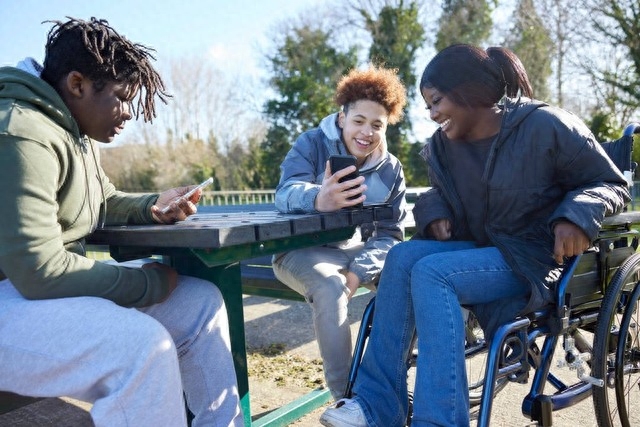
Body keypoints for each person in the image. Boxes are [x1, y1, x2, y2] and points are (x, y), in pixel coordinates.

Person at [320, 44, 630, 427]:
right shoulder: (442, 147)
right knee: (402, 258)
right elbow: (440, 193)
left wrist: (577, 216)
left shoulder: (545, 124)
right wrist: (434, 213)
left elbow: (610, 183)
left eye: (436, 102)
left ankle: (440, 421)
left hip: (534, 257)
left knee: (433, 274)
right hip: (481, 250)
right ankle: (376, 407)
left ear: (467, 91)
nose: (432, 114)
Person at [0, 17, 243, 427]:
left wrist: (152, 205)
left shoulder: (71, 128)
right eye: (120, 98)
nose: (128, 113)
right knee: (142, 349)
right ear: (77, 84)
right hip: (14, 291)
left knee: (199, 303)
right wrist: (146, 284)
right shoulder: (20, 130)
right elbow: (39, 272)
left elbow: (101, 198)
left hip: (31, 292)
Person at [272, 64, 408, 400]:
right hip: (298, 252)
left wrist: (358, 273)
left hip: (352, 251)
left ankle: (385, 381)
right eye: (359, 121)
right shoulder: (311, 143)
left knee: (410, 278)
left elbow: (390, 234)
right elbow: (284, 193)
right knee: (331, 290)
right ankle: (345, 400)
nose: (366, 132)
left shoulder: (390, 169)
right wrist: (318, 197)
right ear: (342, 117)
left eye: (377, 124)